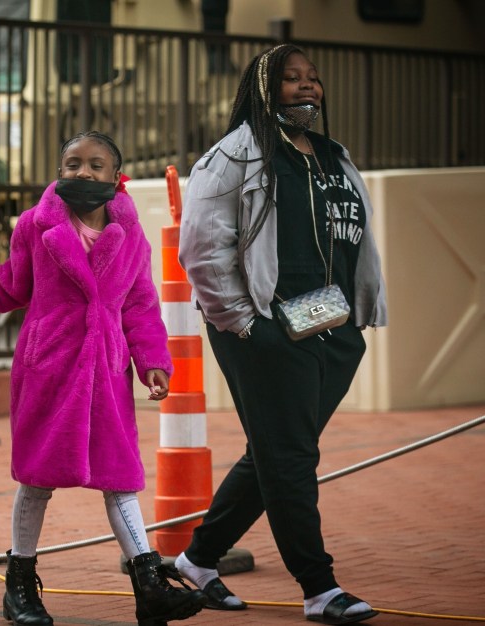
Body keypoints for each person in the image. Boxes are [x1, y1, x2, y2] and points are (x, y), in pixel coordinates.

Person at [0, 131, 207, 626]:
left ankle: (149, 583)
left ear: (117, 178)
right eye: (72, 164)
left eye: (96, 165)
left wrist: (152, 360)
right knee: (36, 480)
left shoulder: (130, 234)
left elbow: (139, 301)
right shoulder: (35, 225)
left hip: (107, 372)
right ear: (58, 170)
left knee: (120, 479)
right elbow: (13, 281)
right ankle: (20, 586)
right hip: (47, 369)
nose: (83, 173)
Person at [175, 44, 386, 625]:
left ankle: (197, 561)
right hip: (263, 328)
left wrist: (357, 320)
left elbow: (355, 244)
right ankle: (319, 588)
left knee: (275, 452)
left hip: (331, 327)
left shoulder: (332, 156)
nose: (307, 87)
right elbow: (200, 247)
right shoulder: (234, 157)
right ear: (264, 88)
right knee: (291, 456)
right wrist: (245, 324)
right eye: (292, 79)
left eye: (313, 79)